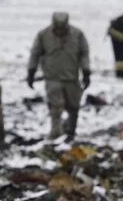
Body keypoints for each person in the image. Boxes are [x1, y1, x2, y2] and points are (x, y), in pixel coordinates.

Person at [28, 12, 91, 140]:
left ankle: (71, 131)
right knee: (55, 107)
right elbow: (35, 53)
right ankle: (56, 132)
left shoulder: (78, 35)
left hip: (71, 77)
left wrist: (86, 72)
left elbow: (84, 53)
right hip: (52, 77)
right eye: (58, 28)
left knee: (73, 107)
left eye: (63, 29)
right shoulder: (43, 35)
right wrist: (31, 72)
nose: (60, 31)